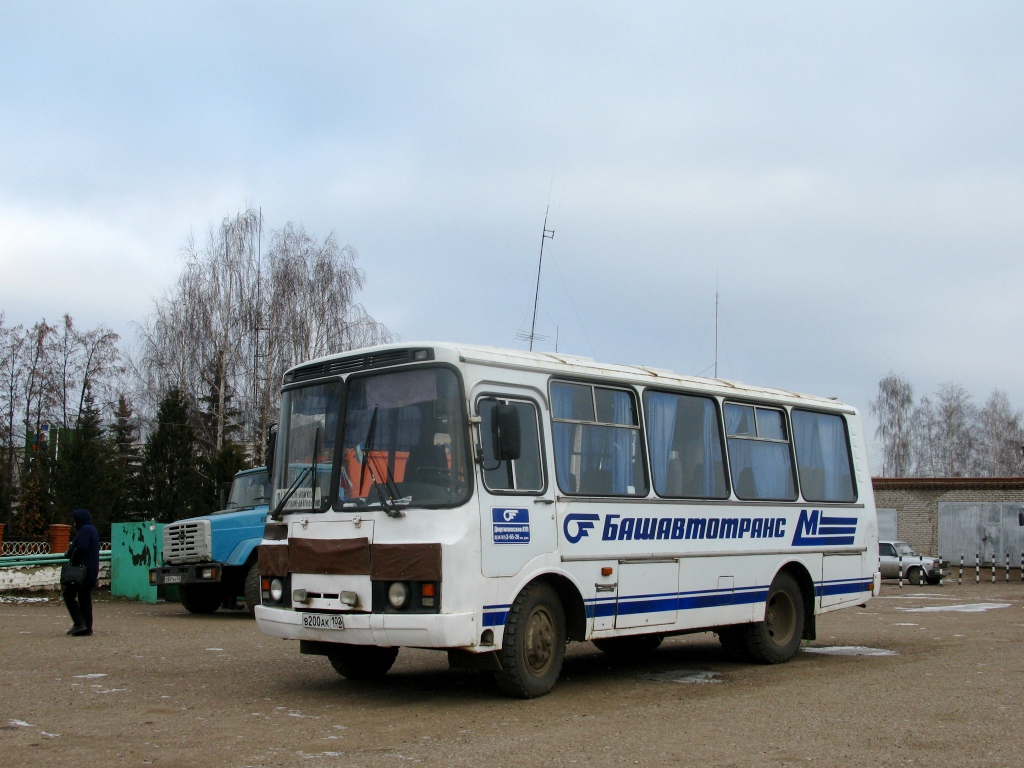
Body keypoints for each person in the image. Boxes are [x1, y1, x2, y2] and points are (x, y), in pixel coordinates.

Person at [64, 508, 100, 636]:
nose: (74, 523)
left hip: (81, 571)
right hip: (90, 570)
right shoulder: (92, 529)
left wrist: (69, 553)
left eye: (75, 520)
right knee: (85, 598)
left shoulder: (84, 530)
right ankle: (87, 627)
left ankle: (79, 623)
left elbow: (82, 549)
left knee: (68, 594)